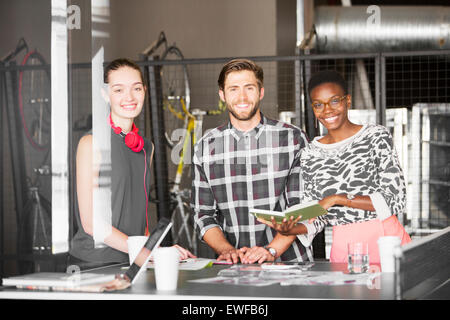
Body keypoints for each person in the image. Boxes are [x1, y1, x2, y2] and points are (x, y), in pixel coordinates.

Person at [258, 70, 411, 264]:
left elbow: (395, 199)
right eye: (318, 104)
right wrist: (290, 229)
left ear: (347, 100)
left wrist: (338, 199)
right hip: (343, 247)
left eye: (335, 101)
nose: (327, 110)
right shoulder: (311, 153)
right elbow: (317, 215)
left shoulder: (376, 137)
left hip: (386, 241)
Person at [70, 58, 195, 267]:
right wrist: (149, 251)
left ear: (144, 91)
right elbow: (92, 224)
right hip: (93, 263)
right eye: (118, 90)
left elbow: (141, 218)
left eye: (136, 88)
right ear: (104, 94)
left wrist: (153, 252)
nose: (129, 97)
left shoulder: (147, 147)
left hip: (134, 260)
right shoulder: (91, 143)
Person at [191, 58, 312, 264]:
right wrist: (227, 250)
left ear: (261, 92)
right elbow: (203, 215)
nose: (242, 96)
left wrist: (271, 251)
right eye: (233, 89)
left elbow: (301, 207)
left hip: (289, 264)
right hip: (233, 267)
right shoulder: (205, 147)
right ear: (222, 95)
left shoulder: (293, 139)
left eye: (249, 88)